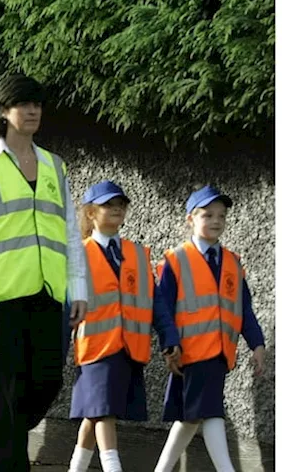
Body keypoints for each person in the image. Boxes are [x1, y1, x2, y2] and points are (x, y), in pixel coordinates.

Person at [0, 73, 87, 472]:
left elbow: (70, 236)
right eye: (23, 104)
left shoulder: (53, 166)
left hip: (47, 290)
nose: (32, 111)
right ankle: (8, 460)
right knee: (7, 391)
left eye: (37, 104)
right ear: (2, 112)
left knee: (48, 382)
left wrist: (78, 288)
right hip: (1, 295)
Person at [152, 186, 266, 472]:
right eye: (207, 215)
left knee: (192, 417)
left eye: (222, 216)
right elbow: (162, 310)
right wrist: (169, 346)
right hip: (189, 352)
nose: (216, 221)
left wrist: (257, 344)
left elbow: (244, 309)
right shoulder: (175, 260)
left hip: (218, 354)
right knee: (210, 412)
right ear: (190, 219)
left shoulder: (232, 262)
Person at [67, 181, 152, 472]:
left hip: (128, 346)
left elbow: (155, 302)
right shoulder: (77, 254)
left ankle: (75, 469)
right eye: (107, 204)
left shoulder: (138, 253)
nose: (116, 208)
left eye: (120, 204)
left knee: (95, 413)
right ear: (90, 213)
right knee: (104, 411)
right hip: (94, 348)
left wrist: (168, 338)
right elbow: (65, 303)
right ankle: (112, 467)